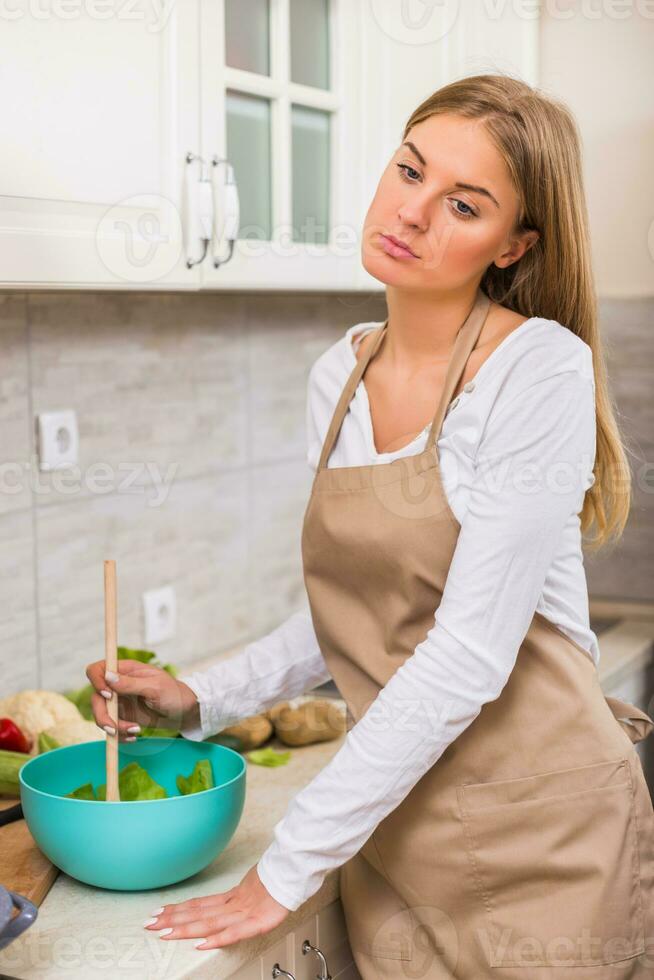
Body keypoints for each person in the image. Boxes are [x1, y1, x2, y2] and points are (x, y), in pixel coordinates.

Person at [86, 74, 654, 976]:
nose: (413, 212)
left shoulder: (538, 368)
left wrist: (287, 865)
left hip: (545, 842)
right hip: (397, 826)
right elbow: (367, 611)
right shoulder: (339, 373)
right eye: (408, 171)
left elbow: (467, 649)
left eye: (463, 204)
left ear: (514, 245)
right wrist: (206, 695)